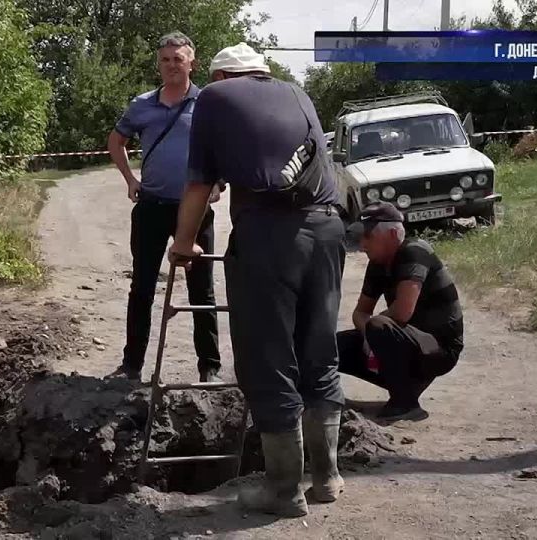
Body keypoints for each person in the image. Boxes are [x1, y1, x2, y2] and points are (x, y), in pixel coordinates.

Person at [168, 42, 346, 517]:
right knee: (318, 351)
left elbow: (199, 182)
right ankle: (327, 477)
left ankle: (284, 490)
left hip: (270, 237)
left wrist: (183, 243)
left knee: (267, 359)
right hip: (328, 230)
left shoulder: (214, 98)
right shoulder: (296, 92)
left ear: (221, 77)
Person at [106, 31, 223, 383]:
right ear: (159, 64)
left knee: (201, 290)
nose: (172, 65)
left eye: (178, 59)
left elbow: (225, 147)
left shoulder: (209, 103)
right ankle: (132, 365)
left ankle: (210, 368)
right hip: (152, 207)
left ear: (192, 63)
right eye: (165, 60)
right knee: (142, 288)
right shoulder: (142, 104)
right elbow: (116, 141)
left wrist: (218, 184)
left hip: (195, 211)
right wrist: (130, 179)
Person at [338, 202, 464, 421]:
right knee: (333, 346)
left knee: (378, 327)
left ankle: (405, 402)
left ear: (393, 234)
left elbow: (402, 312)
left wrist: (373, 331)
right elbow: (360, 313)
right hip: (407, 342)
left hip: (439, 349)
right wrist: (368, 338)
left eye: (368, 236)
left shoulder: (415, 251)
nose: (362, 244)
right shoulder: (377, 263)